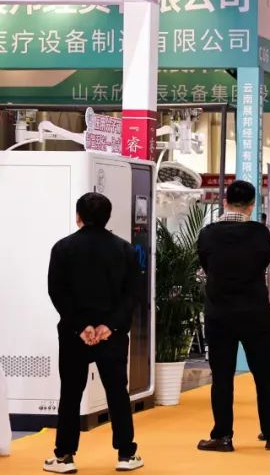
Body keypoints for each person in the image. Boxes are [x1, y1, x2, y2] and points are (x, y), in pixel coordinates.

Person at [45, 192, 144, 473]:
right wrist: (109, 326)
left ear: (78, 216)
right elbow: (131, 295)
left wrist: (81, 326)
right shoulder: (125, 250)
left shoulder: (62, 248)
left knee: (70, 392)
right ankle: (126, 454)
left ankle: (64, 456)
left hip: (74, 334)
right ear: (108, 217)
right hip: (111, 334)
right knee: (117, 392)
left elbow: (57, 291)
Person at [197, 181, 270, 452]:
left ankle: (222, 436)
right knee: (264, 375)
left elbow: (206, 265)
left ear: (225, 202)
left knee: (222, 377)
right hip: (255, 312)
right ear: (252, 205)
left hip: (219, 313)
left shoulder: (208, 234)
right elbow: (263, 262)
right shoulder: (260, 232)